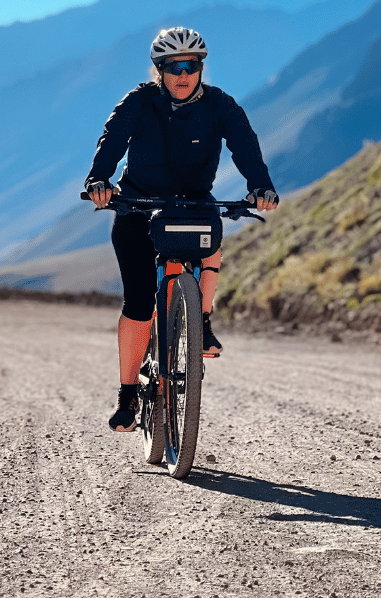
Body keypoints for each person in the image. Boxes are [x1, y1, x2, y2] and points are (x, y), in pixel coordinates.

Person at [85, 27, 278, 432]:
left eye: (191, 65)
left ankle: (201, 320)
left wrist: (260, 186)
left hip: (192, 203)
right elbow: (112, 140)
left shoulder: (219, 105)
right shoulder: (139, 102)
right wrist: (99, 181)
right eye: (174, 67)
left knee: (211, 241)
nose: (183, 74)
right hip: (138, 206)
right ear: (160, 69)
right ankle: (127, 395)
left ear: (201, 68)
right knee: (138, 303)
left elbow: (244, 144)